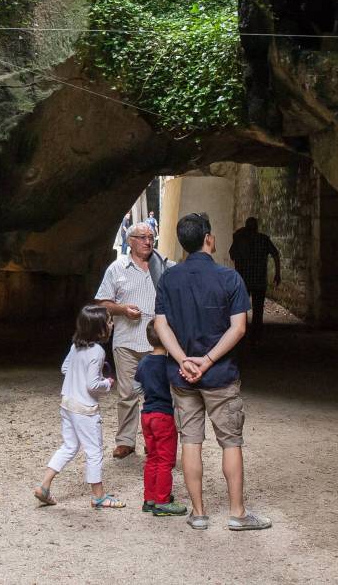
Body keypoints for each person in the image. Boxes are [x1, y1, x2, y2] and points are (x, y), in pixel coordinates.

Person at [153, 212, 270, 531]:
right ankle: (237, 513)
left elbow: (160, 324)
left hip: (182, 377)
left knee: (190, 441)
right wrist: (207, 360)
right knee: (230, 442)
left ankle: (199, 513)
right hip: (220, 375)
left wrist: (183, 360)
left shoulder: (168, 278)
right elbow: (239, 328)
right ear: (208, 238)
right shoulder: (229, 278)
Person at [93, 222, 172, 460]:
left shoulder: (164, 266)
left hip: (157, 343)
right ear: (130, 241)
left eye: (151, 237)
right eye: (142, 237)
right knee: (127, 393)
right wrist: (122, 309)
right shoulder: (116, 269)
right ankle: (125, 441)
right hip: (126, 341)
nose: (148, 242)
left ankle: (153, 440)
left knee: (156, 393)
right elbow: (102, 303)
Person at [33, 304, 124, 509]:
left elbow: (65, 368)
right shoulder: (98, 351)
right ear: (99, 329)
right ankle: (98, 496)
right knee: (94, 451)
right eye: (109, 321)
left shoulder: (76, 346)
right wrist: (107, 383)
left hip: (67, 403)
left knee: (69, 446)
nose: (112, 324)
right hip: (85, 409)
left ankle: (44, 486)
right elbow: (92, 385)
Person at [135, 323, 188, 516]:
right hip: (164, 415)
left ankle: (149, 498)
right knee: (166, 460)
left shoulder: (143, 362)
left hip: (146, 414)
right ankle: (162, 501)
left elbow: (136, 388)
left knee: (152, 458)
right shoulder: (169, 364)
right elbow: (177, 389)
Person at [227, 217, 282, 327]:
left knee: (241, 308)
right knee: (258, 309)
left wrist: (237, 236)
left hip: (244, 279)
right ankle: (256, 334)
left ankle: (242, 330)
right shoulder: (264, 239)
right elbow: (275, 254)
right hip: (259, 279)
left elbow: (232, 255)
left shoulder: (240, 239)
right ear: (257, 227)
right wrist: (277, 273)